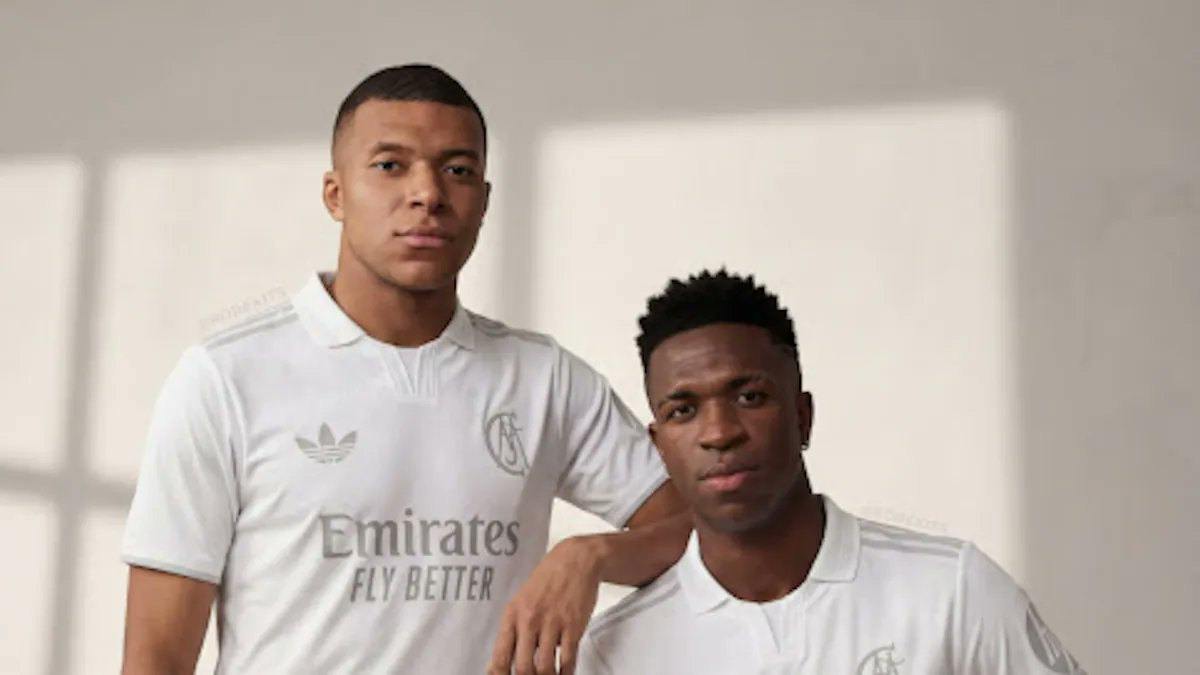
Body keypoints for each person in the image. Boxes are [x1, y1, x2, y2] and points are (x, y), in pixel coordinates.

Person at [120, 64, 688, 675]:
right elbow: (156, 657)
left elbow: (701, 532)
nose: (428, 194)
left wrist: (592, 557)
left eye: (457, 170)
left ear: (484, 201)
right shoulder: (226, 378)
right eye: (391, 165)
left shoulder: (545, 379)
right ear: (335, 194)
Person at [578, 270, 1087, 674]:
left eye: (749, 397)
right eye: (683, 411)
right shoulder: (613, 655)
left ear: (802, 417)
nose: (719, 431)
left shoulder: (950, 592)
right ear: (659, 447)